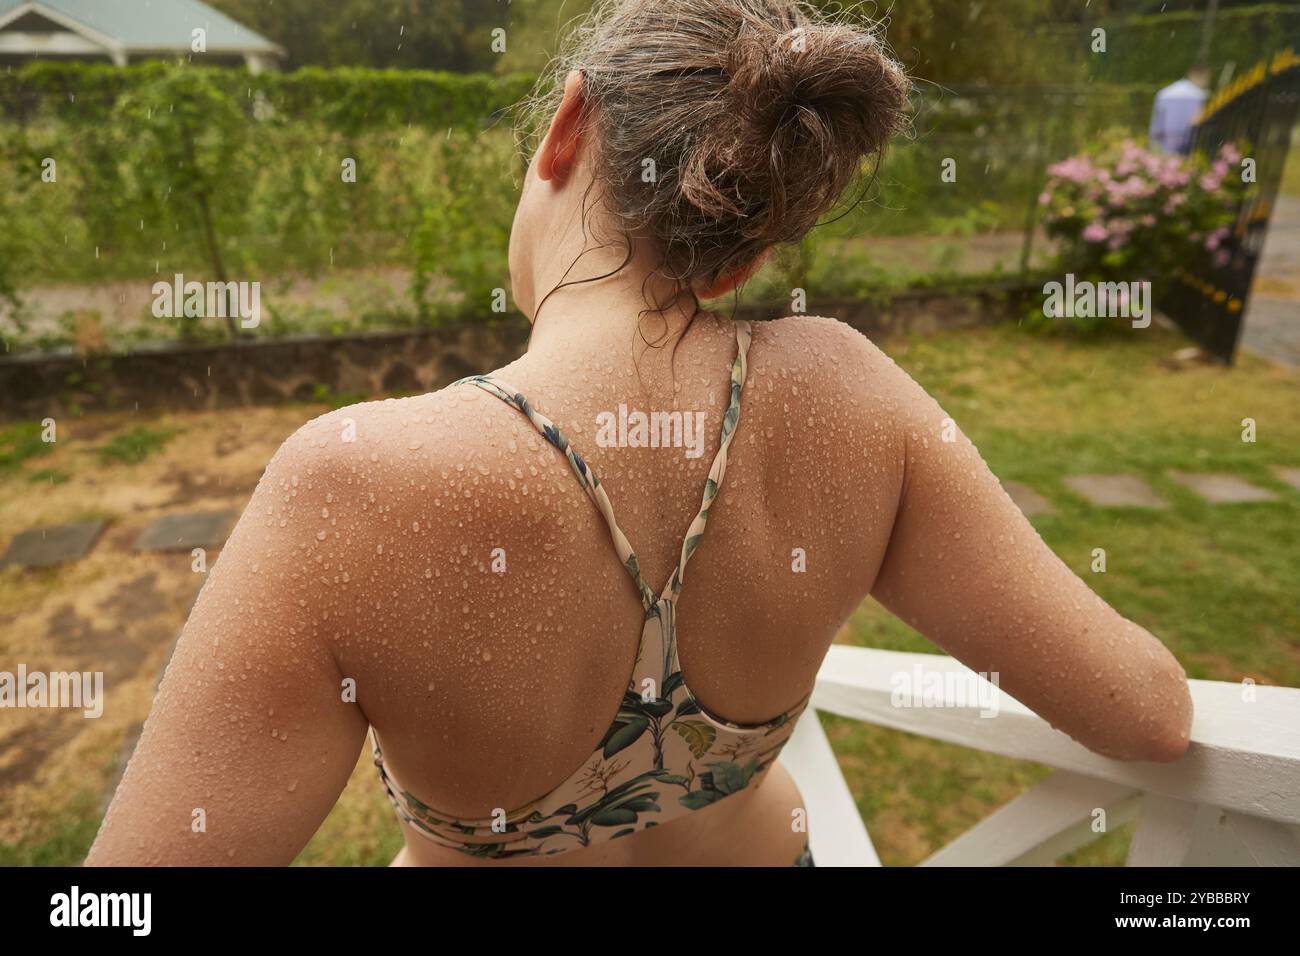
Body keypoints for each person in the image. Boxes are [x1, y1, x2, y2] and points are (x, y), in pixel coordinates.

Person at [86, 0, 1193, 867]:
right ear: (749, 248)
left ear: (567, 126)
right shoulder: (852, 396)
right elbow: (1144, 711)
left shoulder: (352, 485)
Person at [1150, 65, 1211, 155]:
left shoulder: (1164, 94)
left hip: (1167, 139)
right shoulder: (1199, 95)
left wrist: (1154, 139)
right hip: (1188, 139)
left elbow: (1157, 121)